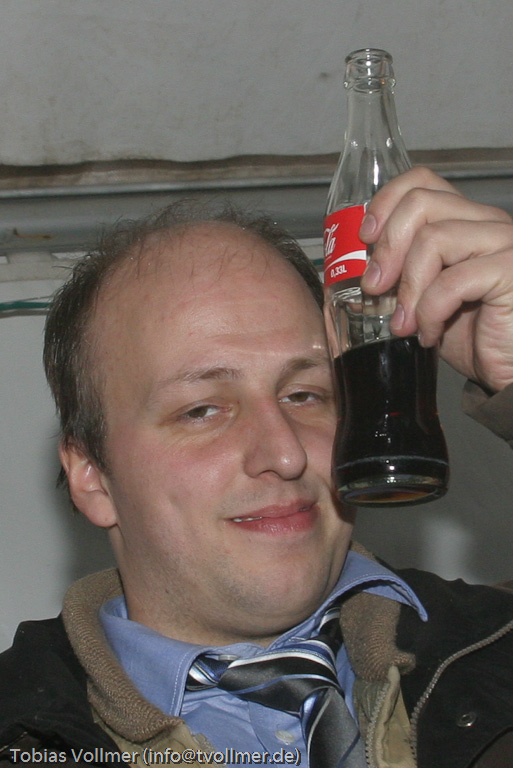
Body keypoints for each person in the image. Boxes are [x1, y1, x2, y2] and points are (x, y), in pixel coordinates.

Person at [1, 166, 513, 768]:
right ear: (91, 476)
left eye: (305, 395)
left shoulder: (495, 649)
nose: (285, 453)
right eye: (202, 410)